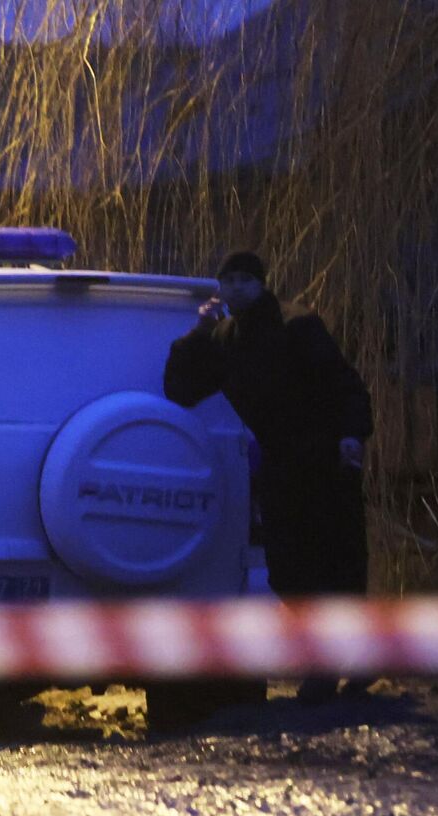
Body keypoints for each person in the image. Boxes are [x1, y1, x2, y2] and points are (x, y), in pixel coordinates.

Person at [163, 250, 373, 704]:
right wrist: (198, 333)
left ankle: (337, 663)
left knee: (334, 564)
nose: (236, 287)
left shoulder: (297, 325)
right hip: (280, 465)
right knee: (288, 568)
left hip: (325, 461)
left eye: (245, 279)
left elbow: (345, 385)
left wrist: (351, 435)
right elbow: (180, 389)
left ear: (261, 284)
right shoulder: (225, 338)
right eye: (229, 280)